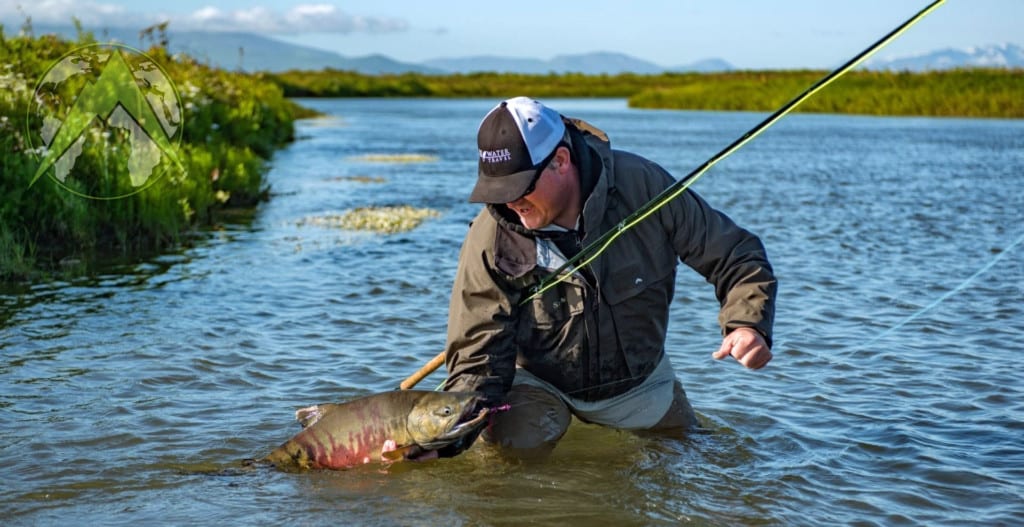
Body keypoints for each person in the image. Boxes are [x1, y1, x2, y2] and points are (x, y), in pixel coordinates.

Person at [442, 96, 776, 452]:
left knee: (697, 454)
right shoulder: (490, 234)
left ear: (560, 161)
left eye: (519, 188)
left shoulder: (644, 187)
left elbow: (736, 255)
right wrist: (443, 441)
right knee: (506, 454)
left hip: (638, 383)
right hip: (537, 383)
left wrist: (747, 324)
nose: (510, 203)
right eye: (497, 191)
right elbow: (477, 356)